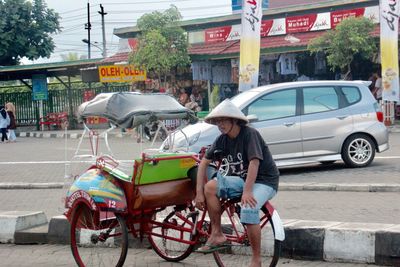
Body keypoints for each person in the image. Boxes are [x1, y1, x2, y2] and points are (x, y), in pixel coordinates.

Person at [194, 99, 279, 267]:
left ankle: (256, 260)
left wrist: (247, 192)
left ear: (234, 120)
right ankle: (217, 233)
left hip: (265, 180)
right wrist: (199, 193)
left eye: (224, 120)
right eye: (218, 121)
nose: (220, 125)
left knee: (249, 207)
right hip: (242, 179)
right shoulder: (222, 140)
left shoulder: (250, 134)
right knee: (210, 187)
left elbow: (254, 163)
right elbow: (203, 163)